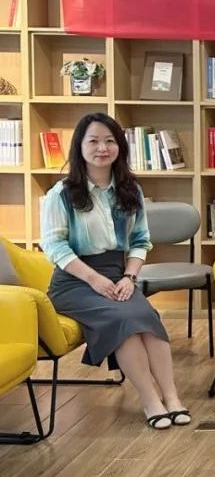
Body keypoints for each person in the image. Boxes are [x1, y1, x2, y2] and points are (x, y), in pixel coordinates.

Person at [41, 112, 189, 430]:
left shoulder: (129, 190)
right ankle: (150, 401)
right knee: (123, 321)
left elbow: (140, 241)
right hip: (74, 281)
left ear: (120, 146)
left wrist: (129, 277)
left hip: (118, 275)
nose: (102, 148)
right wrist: (94, 279)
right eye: (93, 141)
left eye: (110, 141)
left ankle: (172, 397)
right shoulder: (61, 194)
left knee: (147, 318)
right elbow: (55, 247)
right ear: (79, 147)